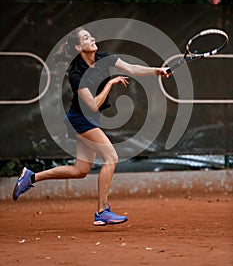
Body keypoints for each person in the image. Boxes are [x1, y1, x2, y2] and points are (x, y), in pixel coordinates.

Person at [12, 27, 170, 226]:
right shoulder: (76, 74)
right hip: (81, 119)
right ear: (79, 47)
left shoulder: (104, 56)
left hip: (90, 119)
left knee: (80, 170)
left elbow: (131, 68)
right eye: (86, 38)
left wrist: (156, 70)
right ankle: (102, 210)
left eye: (91, 35)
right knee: (111, 157)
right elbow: (93, 104)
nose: (93, 38)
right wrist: (110, 84)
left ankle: (30, 177)